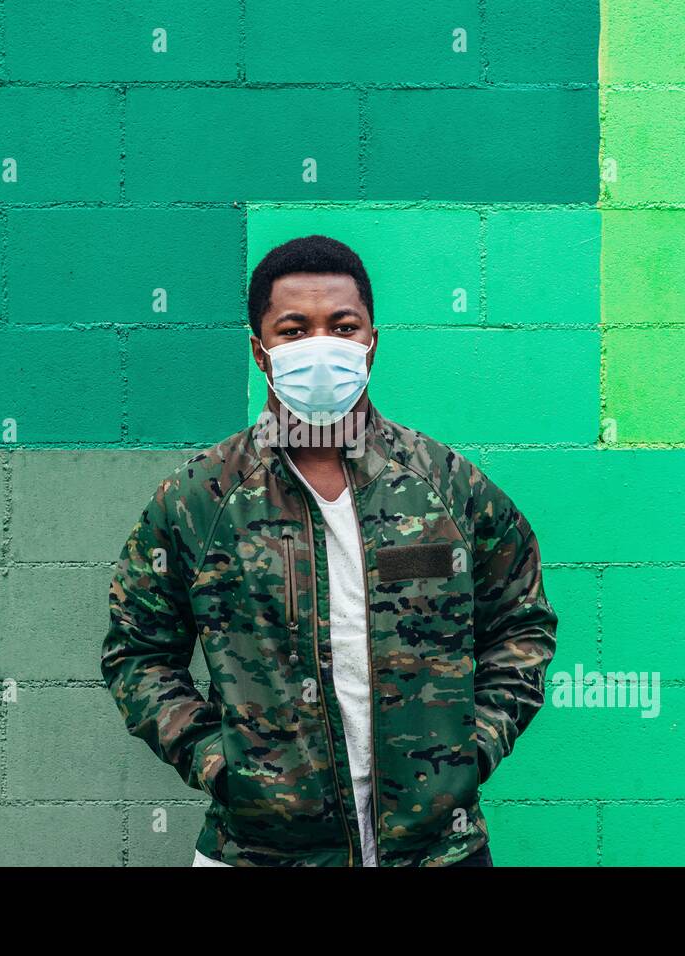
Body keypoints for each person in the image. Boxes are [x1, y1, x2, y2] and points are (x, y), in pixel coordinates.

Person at [101, 234, 557, 867]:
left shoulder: (448, 486)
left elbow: (521, 624)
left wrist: (468, 751)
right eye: (294, 330)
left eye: (343, 327)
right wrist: (222, 764)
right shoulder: (199, 501)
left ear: (371, 342)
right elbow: (138, 653)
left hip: (436, 851)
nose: (321, 345)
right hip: (259, 852)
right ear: (260, 352)